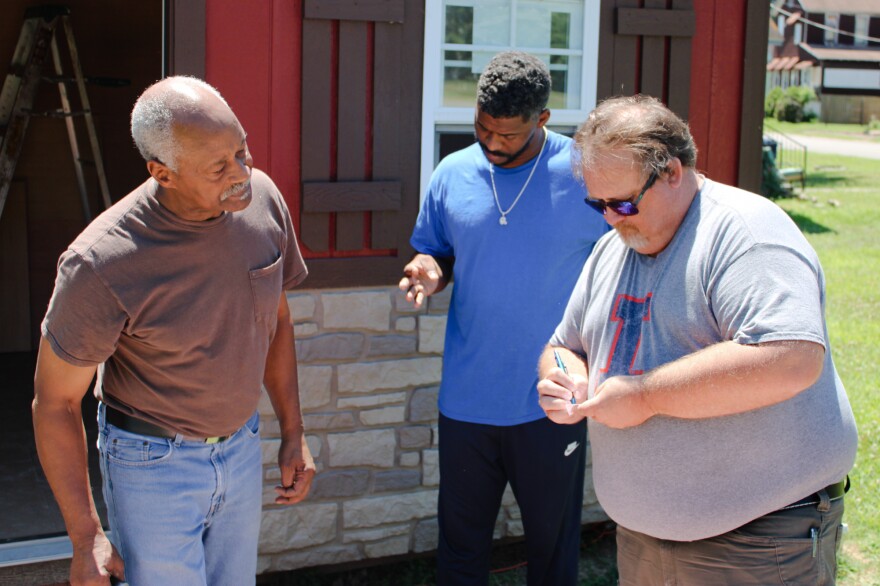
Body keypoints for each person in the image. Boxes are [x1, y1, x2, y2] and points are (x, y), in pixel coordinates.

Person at [537, 94, 858, 586]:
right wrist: (564, 378)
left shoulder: (746, 233)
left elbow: (791, 358)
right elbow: (564, 346)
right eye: (598, 204)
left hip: (756, 541)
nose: (611, 218)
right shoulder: (611, 249)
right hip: (643, 537)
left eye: (623, 202)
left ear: (671, 171)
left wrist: (645, 396)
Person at [32, 76, 315, 586]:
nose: (242, 173)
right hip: (152, 466)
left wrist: (293, 433)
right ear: (163, 172)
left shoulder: (264, 202)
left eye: (242, 150)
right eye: (218, 166)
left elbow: (277, 321)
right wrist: (86, 536)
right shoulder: (101, 263)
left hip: (242, 448)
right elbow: (54, 403)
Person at [399, 51, 608, 585]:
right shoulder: (451, 173)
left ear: (543, 119)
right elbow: (437, 251)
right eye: (482, 127)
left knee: (552, 553)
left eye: (507, 134)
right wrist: (429, 270)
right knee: (460, 550)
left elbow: (627, 257)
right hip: (467, 400)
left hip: (553, 402)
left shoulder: (586, 175)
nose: (491, 143)